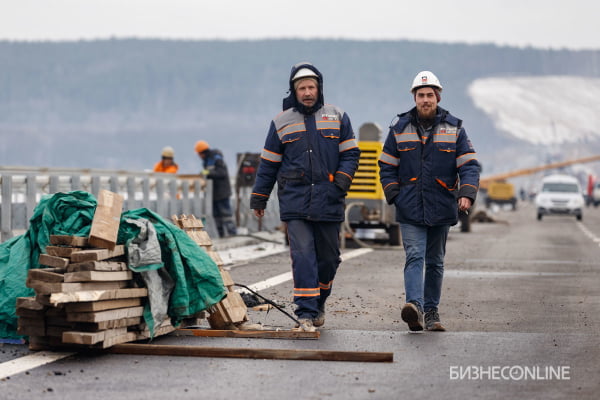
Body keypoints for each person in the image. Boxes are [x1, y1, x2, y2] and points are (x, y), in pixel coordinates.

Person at [250, 62, 360, 332]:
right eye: (302, 88)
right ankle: (306, 312)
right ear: (294, 91)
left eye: (311, 87)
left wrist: (342, 182)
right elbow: (269, 164)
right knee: (303, 256)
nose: (307, 92)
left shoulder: (337, 116)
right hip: (295, 201)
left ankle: (320, 299)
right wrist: (259, 198)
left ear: (319, 89)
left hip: (330, 198)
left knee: (329, 259)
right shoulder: (281, 122)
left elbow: (351, 154)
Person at [378, 71, 480, 332]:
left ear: (438, 97)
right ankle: (414, 307)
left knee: (435, 261)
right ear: (414, 97)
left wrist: (466, 194)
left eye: (430, 95)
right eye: (421, 95)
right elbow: (387, 166)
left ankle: (432, 312)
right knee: (414, 256)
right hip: (409, 205)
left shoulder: (454, 128)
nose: (425, 100)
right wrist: (395, 195)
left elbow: (469, 165)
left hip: (441, 204)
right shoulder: (399, 129)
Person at [195, 140, 238, 237]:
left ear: (202, 152)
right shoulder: (206, 161)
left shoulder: (216, 158)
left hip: (222, 193)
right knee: (217, 217)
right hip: (213, 194)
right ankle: (222, 235)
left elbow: (221, 173)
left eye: (199, 154)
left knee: (226, 215)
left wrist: (207, 173)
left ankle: (233, 235)